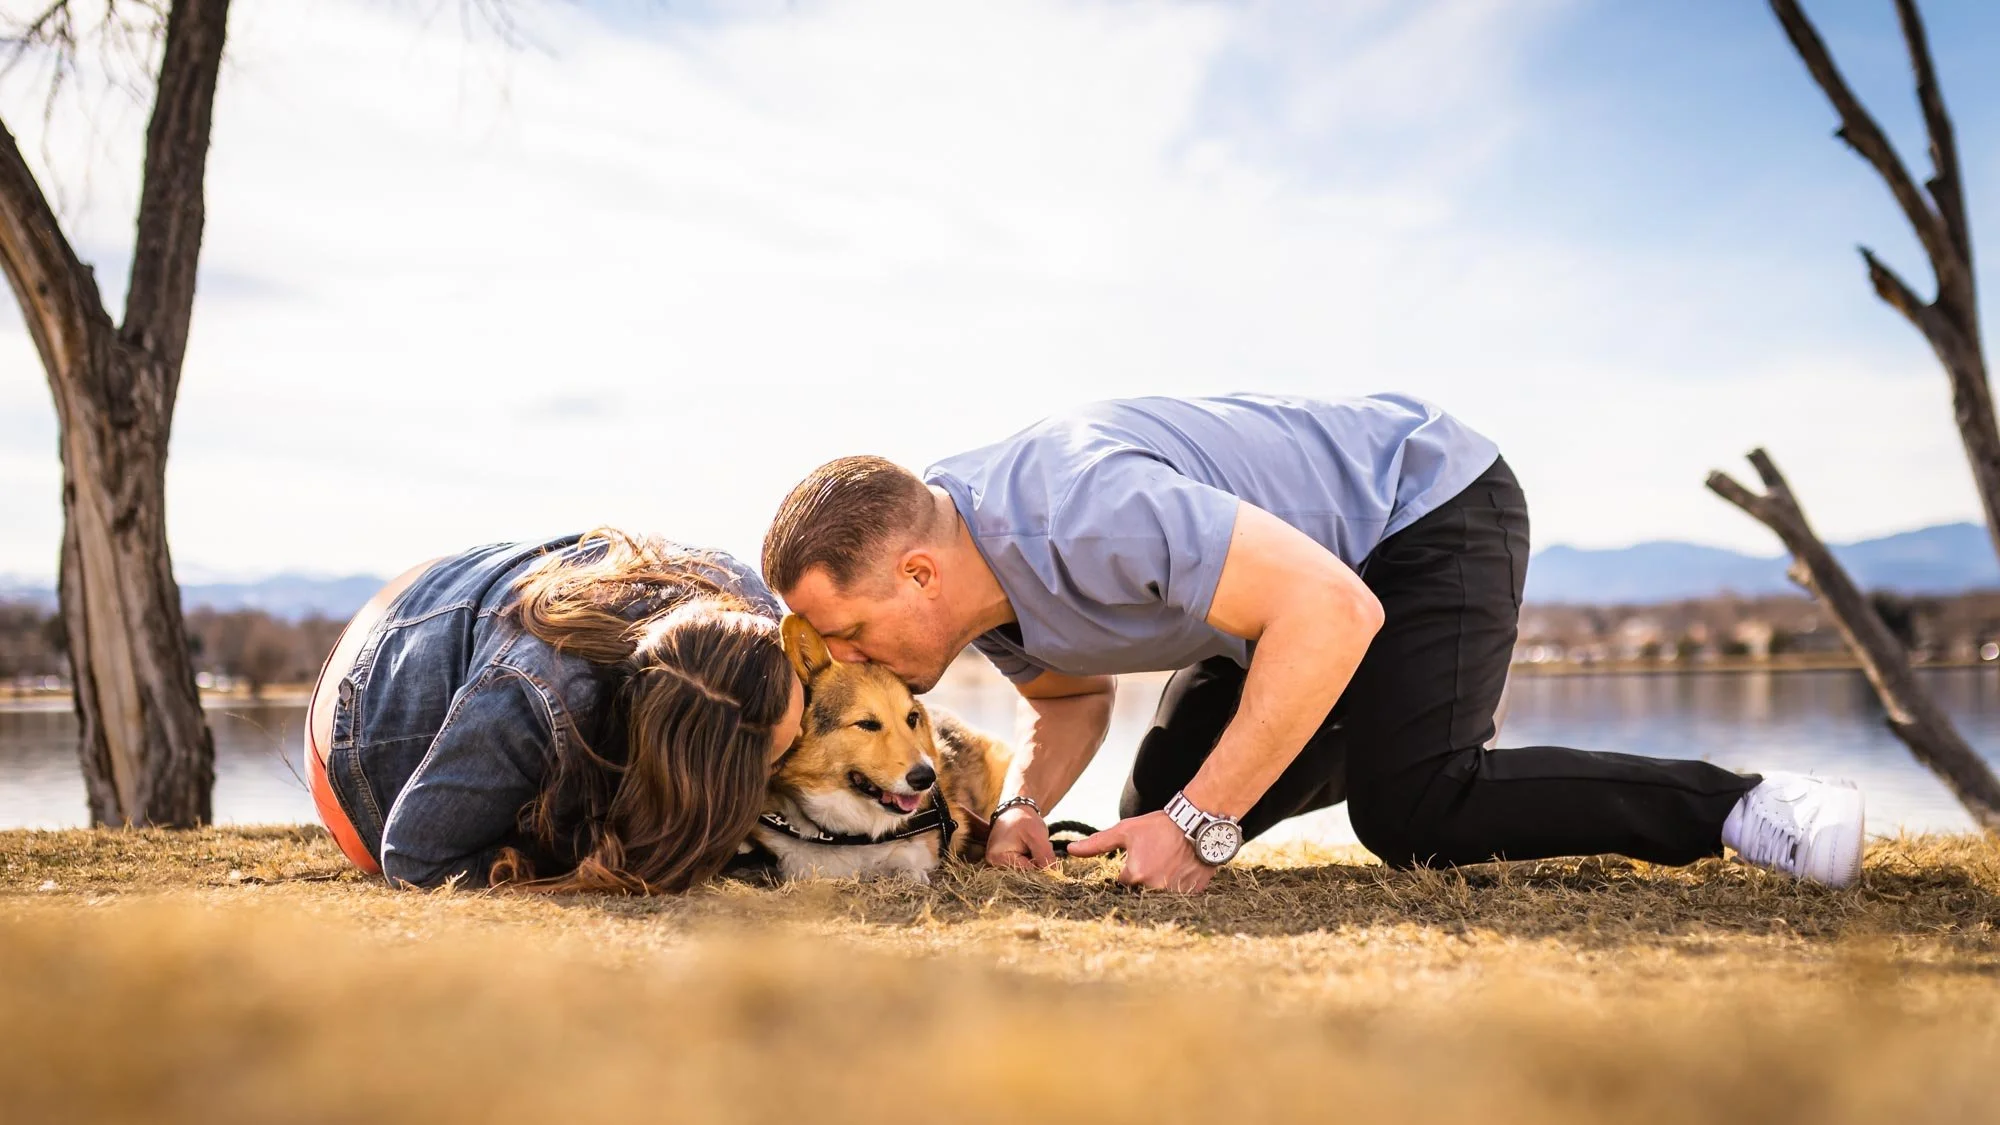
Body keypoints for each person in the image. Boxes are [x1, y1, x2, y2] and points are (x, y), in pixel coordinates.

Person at [759, 393, 1866, 893]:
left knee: (1411, 807)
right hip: (1295, 605)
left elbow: (1331, 611)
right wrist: (1021, 810)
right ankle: (1397, 717)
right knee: (1163, 796)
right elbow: (1071, 699)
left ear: (917, 573)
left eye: (846, 630)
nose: (842, 658)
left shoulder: (1084, 510)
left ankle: (1746, 804)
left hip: (1421, 512)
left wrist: (1201, 831)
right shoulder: (966, 587)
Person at [304, 528, 802, 892]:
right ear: (710, 778)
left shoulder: (748, 604)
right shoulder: (537, 701)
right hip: (358, 709)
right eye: (773, 761)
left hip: (463, 583)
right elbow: (414, 857)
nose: (799, 748)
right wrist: (577, 866)